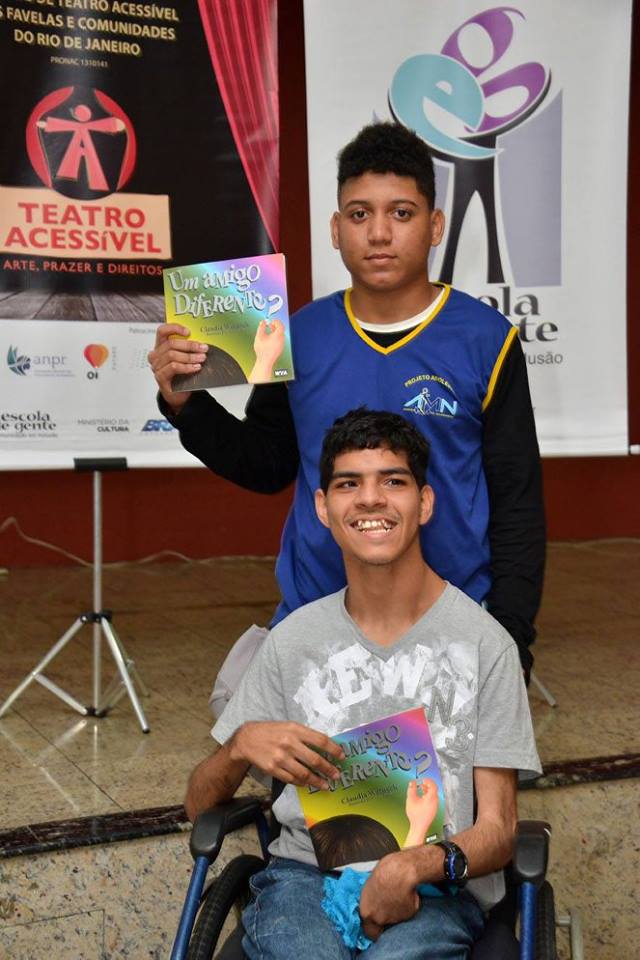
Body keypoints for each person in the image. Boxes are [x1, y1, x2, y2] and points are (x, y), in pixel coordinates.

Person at [148, 121, 545, 676]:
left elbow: (517, 501)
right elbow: (267, 464)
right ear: (336, 230)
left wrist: (510, 634)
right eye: (359, 215)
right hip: (316, 621)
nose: (379, 233)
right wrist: (186, 405)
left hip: (450, 626)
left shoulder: (487, 340)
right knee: (287, 740)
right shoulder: (296, 334)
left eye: (401, 213)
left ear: (435, 226)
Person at [185, 409, 541, 959]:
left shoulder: (485, 645)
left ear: (425, 502)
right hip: (305, 881)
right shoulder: (292, 641)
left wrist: (413, 865)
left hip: (436, 887)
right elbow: (198, 804)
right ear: (323, 507)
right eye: (349, 483)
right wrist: (238, 746)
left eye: (393, 481)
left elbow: (498, 830)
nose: (371, 499)